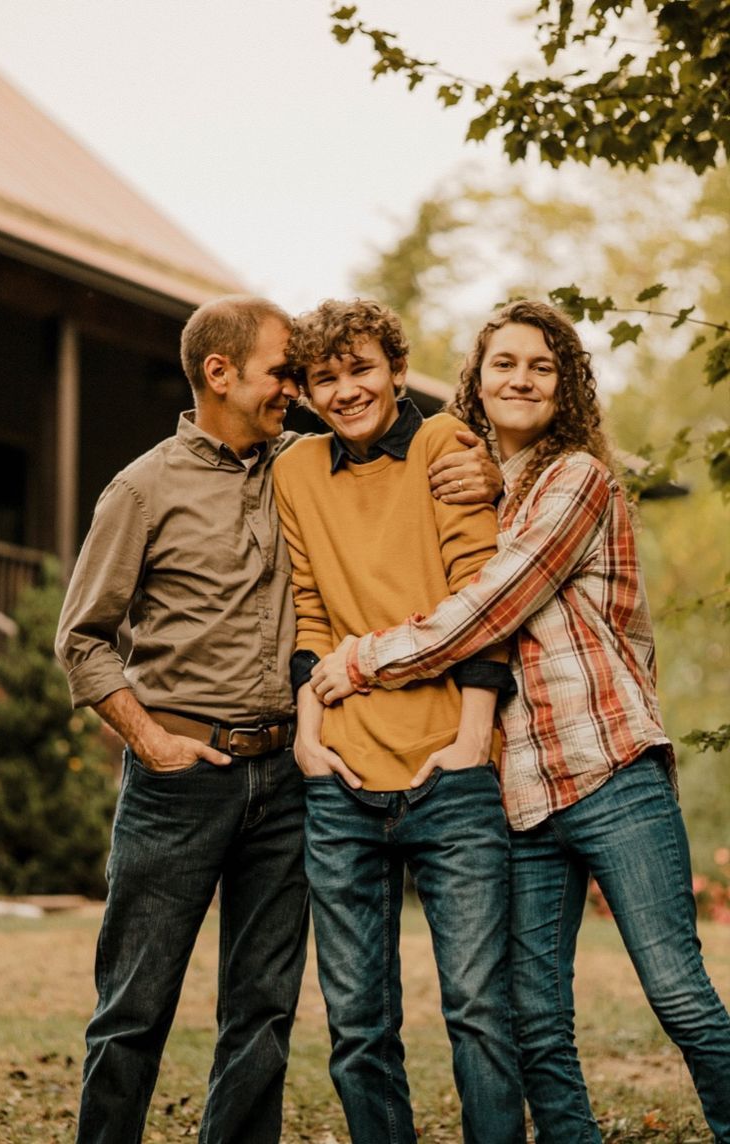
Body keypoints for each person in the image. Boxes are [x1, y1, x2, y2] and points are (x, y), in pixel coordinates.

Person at [309, 300, 730, 1142]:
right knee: (537, 1023)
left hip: (610, 771)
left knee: (679, 994)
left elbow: (488, 606)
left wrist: (357, 661)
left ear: (565, 384)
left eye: (541, 365)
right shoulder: (476, 486)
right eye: (504, 363)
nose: (521, 378)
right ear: (478, 377)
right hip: (520, 793)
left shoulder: (578, 478)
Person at [55, 296, 309, 1144]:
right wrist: (152, 741)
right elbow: (80, 640)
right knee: (134, 1006)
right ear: (219, 372)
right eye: (282, 369)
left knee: (264, 1011)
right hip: (180, 780)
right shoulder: (142, 487)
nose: (294, 387)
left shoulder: (301, 471)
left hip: (286, 780)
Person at [272, 298, 525, 1143]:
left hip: (448, 775)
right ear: (306, 391)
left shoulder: (444, 445)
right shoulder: (296, 472)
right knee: (357, 1026)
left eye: (362, 368)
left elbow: (483, 598)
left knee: (482, 1013)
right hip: (341, 780)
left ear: (394, 366)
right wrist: (309, 735)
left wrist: (468, 744)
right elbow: (309, 611)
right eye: (327, 378)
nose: (347, 390)